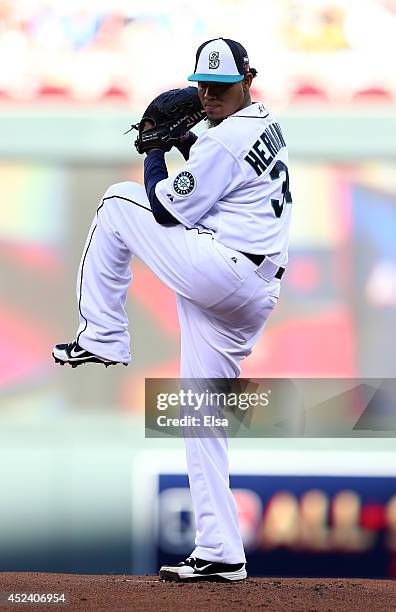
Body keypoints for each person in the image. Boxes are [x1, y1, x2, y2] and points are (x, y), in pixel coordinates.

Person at [53, 37, 292, 582]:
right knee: (199, 414)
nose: (208, 95)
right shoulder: (262, 123)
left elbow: (163, 210)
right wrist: (185, 143)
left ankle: (103, 336)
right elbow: (210, 188)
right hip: (250, 288)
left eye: (221, 86)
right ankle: (221, 551)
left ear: (247, 80)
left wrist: (158, 151)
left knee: (118, 201)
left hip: (226, 273)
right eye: (203, 84)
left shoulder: (224, 141)